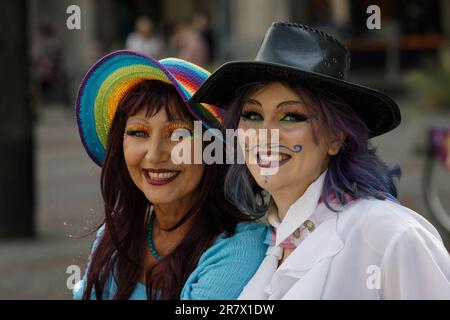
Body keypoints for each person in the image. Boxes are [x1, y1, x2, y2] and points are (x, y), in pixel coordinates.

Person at [189, 22, 450, 299]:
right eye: (252, 115)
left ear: (336, 137)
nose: (264, 136)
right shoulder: (269, 245)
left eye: (291, 116)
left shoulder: (390, 236)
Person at [73, 50, 267, 300]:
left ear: (214, 148)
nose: (154, 155)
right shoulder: (116, 234)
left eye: (178, 135)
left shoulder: (238, 248)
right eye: (139, 133)